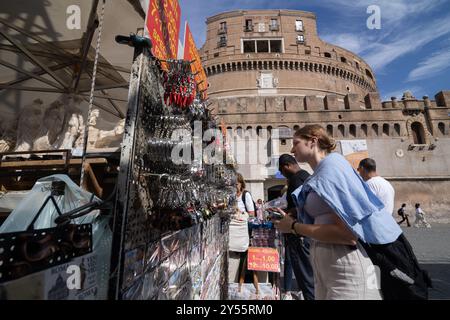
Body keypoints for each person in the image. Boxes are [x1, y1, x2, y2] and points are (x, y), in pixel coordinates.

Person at [274, 125, 403, 300]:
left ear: (313, 141)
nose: (291, 149)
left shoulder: (332, 168)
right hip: (328, 269)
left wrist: (294, 227)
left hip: (346, 270)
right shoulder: (320, 173)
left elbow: (347, 234)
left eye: (296, 143)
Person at [278, 154, 315, 300]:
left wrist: (285, 214)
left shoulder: (295, 180)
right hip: (303, 231)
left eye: (282, 171)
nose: (282, 174)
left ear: (287, 166)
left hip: (297, 233)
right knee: (308, 274)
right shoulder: (306, 176)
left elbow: (299, 206)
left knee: (306, 277)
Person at [228, 173, 255, 283]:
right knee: (233, 254)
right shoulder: (230, 196)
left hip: (243, 230)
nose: (234, 186)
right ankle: (233, 278)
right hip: (233, 229)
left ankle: (241, 279)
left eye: (236, 184)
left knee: (243, 253)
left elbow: (252, 214)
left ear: (241, 184)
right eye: (232, 184)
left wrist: (239, 211)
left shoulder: (245, 195)